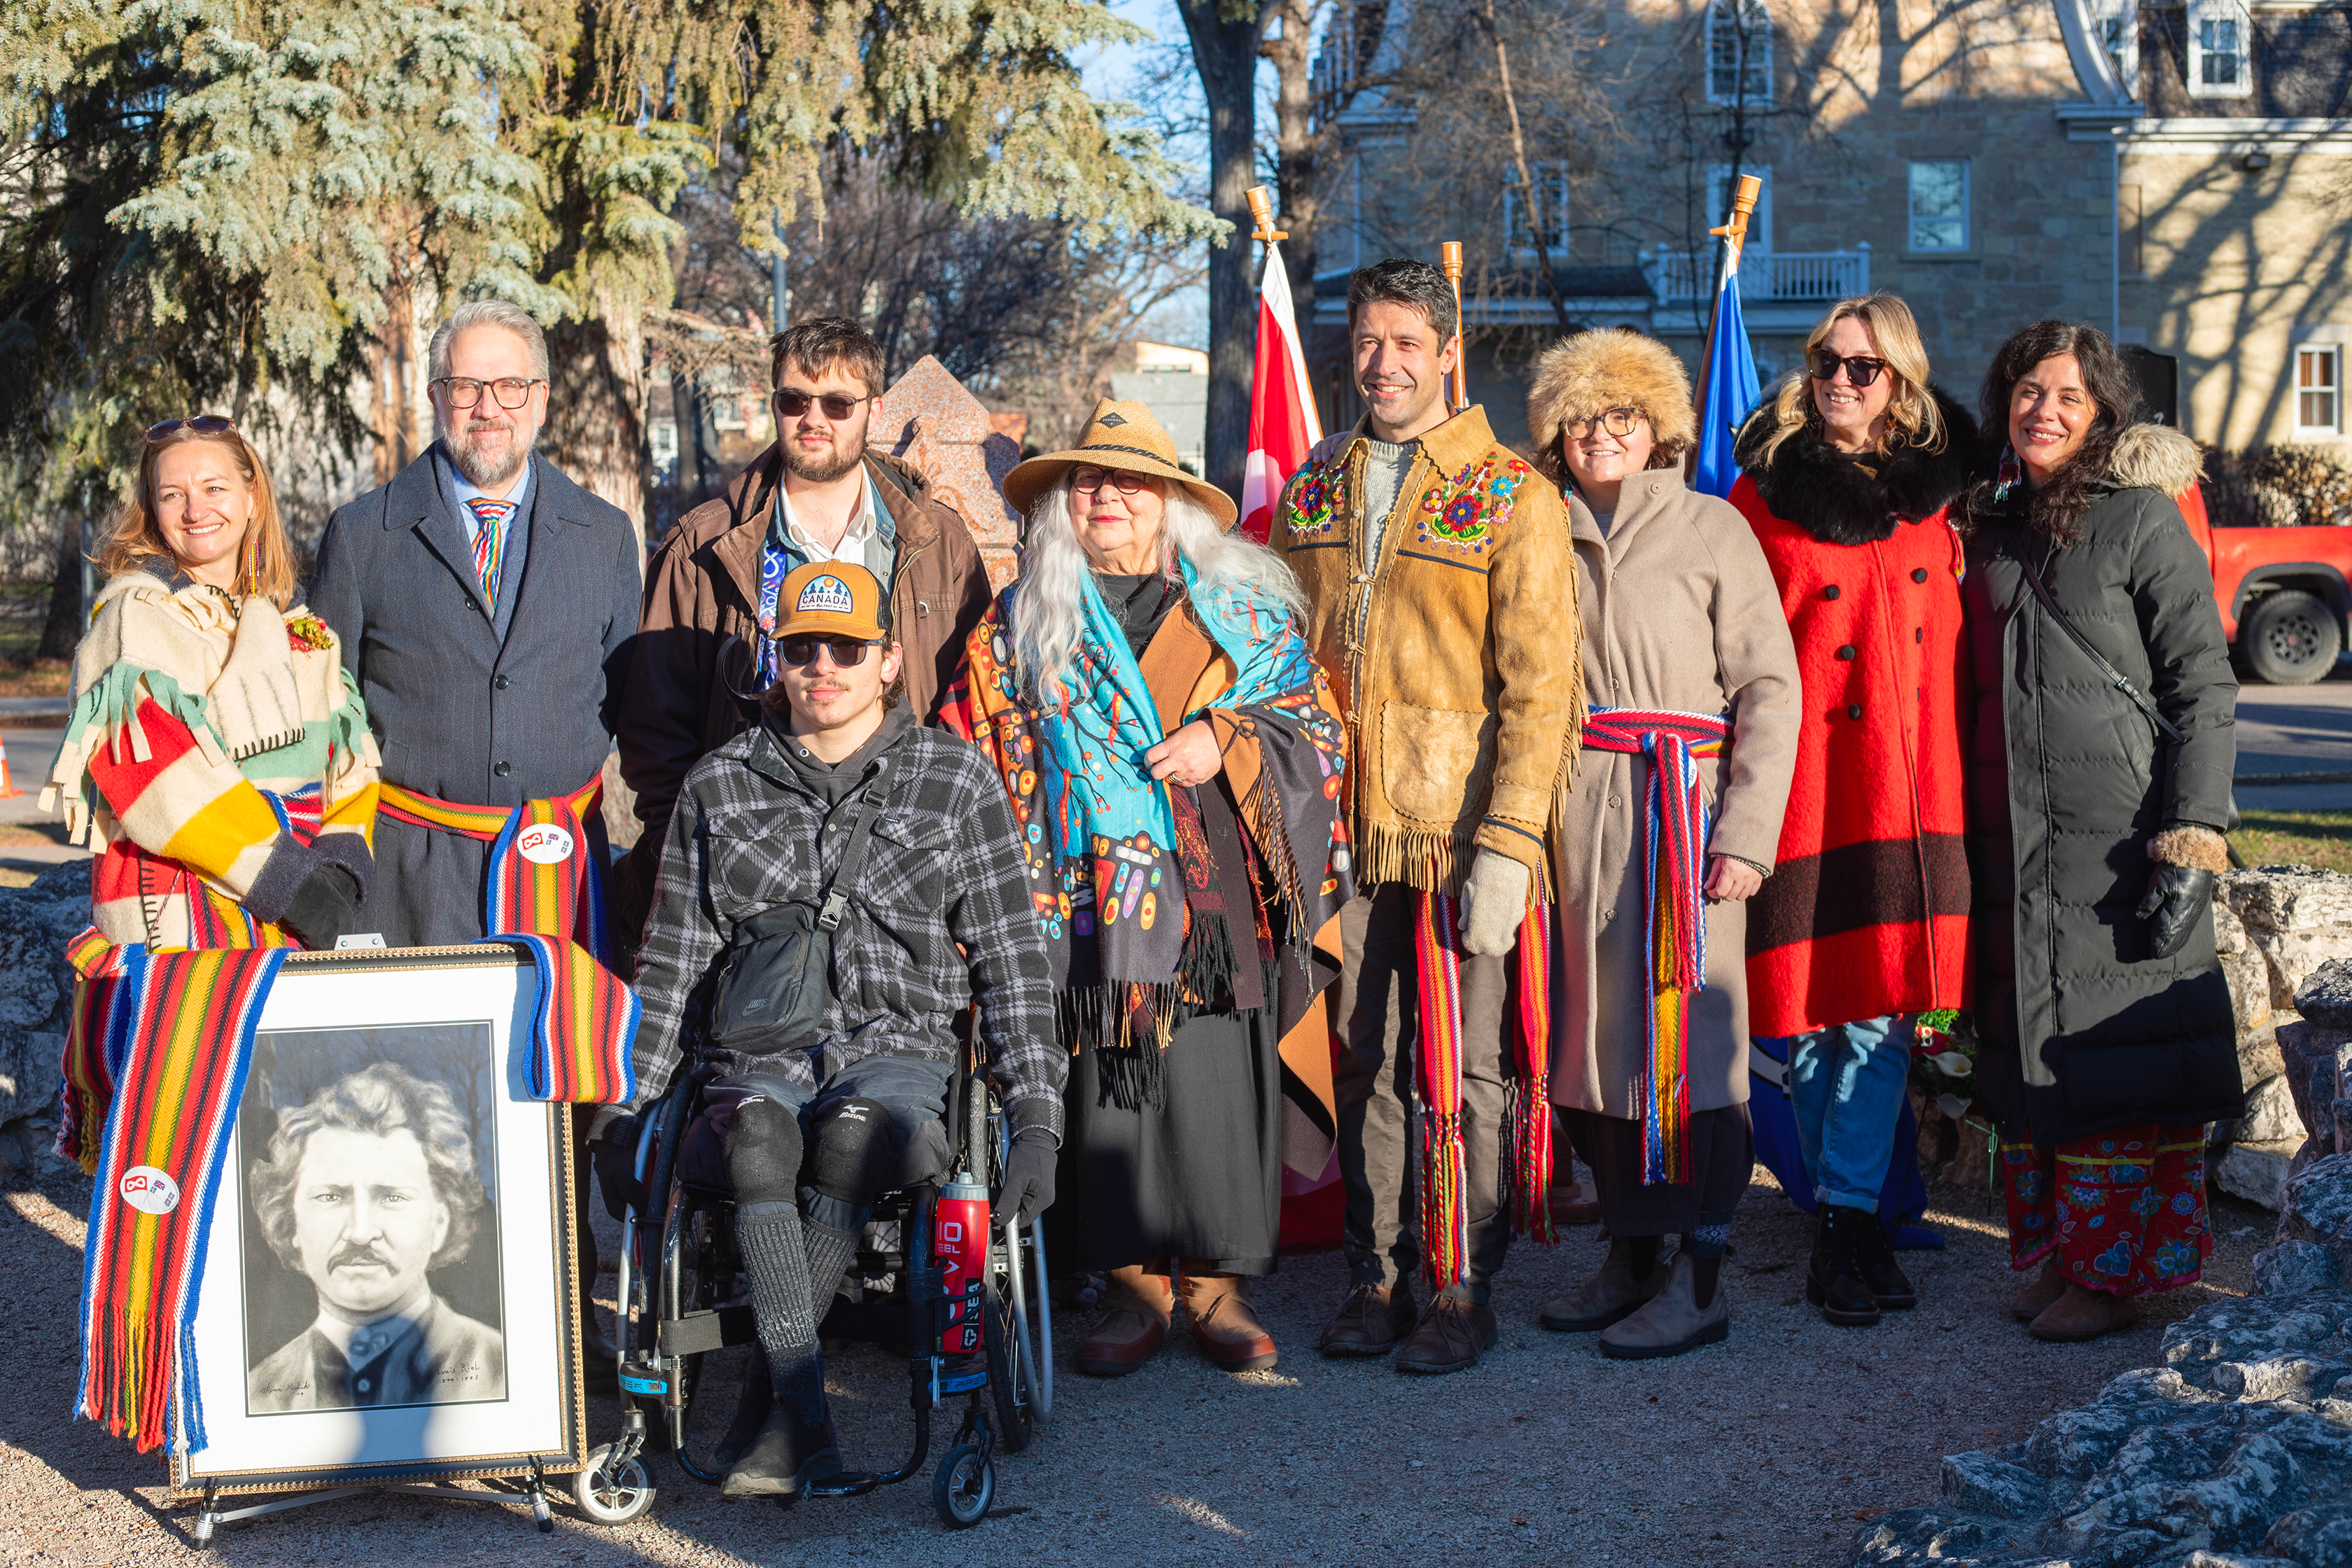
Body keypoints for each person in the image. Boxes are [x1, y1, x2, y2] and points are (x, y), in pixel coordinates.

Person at [626, 561, 1060, 1497]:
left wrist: (1036, 1121)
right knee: (752, 1138)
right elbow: (671, 961)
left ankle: (776, 1413)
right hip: (756, 1060)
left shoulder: (954, 782)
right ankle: (804, 1411)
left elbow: (1014, 964)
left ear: (889, 662)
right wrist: (629, 1108)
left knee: (856, 1136)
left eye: (846, 649)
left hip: (897, 1062)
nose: (822, 666)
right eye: (801, 649)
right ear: (778, 661)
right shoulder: (720, 786)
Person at [942, 401, 1353, 1378]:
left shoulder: (1246, 613)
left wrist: (1230, 739)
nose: (1109, 494)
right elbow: (977, 747)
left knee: (1215, 1084)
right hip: (1082, 895)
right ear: (1060, 510)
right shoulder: (1015, 630)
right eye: (1087, 481)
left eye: (1131, 480)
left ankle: (1217, 1286)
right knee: (1108, 1096)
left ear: (1172, 504)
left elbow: (1320, 725)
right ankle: (1134, 1287)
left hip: (1216, 899)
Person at [1273, 258, 1583, 1376]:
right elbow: (1276, 655)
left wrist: (1510, 842)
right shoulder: (1314, 485)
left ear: (1449, 350)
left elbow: (1542, 688)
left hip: (1455, 829)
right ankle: (1375, 1272)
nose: (1384, 363)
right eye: (1367, 341)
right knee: (1362, 1054)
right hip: (1347, 830)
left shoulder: (1510, 491)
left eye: (1407, 342)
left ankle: (1461, 1282)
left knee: (1462, 1064)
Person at [1956, 321, 2241, 1343]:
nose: (2046, 411)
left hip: (2121, 834)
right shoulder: (1989, 523)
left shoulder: (2139, 521)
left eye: (2070, 397)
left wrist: (2194, 833)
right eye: (2030, 391)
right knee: (2034, 1044)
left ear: (2101, 413)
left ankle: (2115, 1275)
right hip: (2020, 836)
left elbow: (2202, 683)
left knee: (2119, 1058)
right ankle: (2061, 1257)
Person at [1527, 328, 1801, 1360]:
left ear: (1659, 428)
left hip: (1685, 811)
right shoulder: (1536, 531)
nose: (1602, 435)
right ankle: (1630, 1259)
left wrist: (1745, 834)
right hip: (1578, 812)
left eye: (1623, 416)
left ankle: (1701, 1275)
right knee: (1597, 1044)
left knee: (1693, 1048)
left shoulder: (1712, 528)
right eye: (1584, 417)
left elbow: (1770, 689)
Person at [1727, 293, 1977, 1329]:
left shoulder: (1942, 502)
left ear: (1903, 383)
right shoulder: (1761, 496)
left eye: (1865, 369)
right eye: (1828, 362)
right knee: (1816, 1017)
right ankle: (1848, 1219)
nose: (1840, 380)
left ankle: (1842, 1222)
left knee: (1878, 1016)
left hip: (1909, 784)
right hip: (1806, 785)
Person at [614, 315, 995, 947]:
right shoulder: (703, 547)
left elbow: (972, 704)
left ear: (873, 410)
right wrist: (691, 859)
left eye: (838, 403)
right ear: (775, 407)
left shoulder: (938, 541)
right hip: (749, 875)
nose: (813, 419)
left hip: (903, 863)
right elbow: (655, 733)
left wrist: (946, 850)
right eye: (795, 400)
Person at [312, 300, 641, 948]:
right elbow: (326, 715)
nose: (489, 408)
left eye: (510, 387)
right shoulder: (360, 536)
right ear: (438, 398)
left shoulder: (604, 535)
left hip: (561, 871)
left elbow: (628, 699)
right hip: (409, 881)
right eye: (467, 387)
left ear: (540, 400)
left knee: (554, 1049)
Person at [45, 416, 377, 951]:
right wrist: (295, 887)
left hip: (288, 931)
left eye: (213, 488)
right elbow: (160, 782)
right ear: (153, 511)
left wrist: (340, 867)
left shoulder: (298, 628)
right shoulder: (132, 623)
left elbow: (350, 760)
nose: (195, 511)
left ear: (251, 498)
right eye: (172, 495)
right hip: (173, 927)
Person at [246, 1063, 505, 1412]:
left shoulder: (504, 1374)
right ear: (291, 1223)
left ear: (440, 1223)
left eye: (392, 1197)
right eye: (331, 1197)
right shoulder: (257, 1397)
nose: (361, 1232)